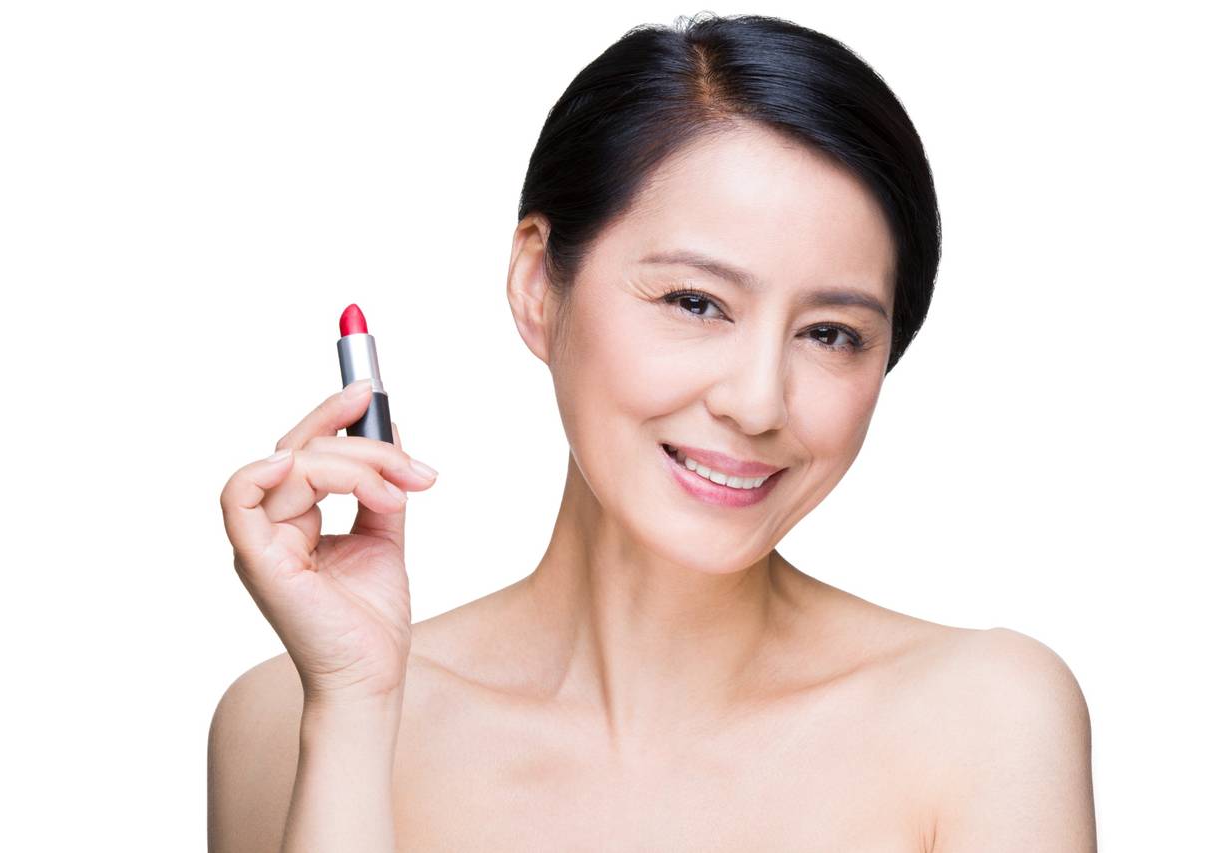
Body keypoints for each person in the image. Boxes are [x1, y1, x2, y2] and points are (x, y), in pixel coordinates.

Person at [210, 13, 1096, 852]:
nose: (758, 403)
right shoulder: (284, 718)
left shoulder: (985, 719)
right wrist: (356, 705)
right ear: (535, 286)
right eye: (695, 302)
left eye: (830, 333)